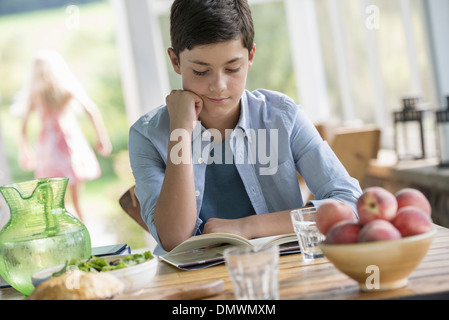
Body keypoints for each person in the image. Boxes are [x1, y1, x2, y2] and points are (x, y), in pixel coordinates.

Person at [129, 0, 362, 254]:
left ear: (250, 56)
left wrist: (246, 227)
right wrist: (181, 133)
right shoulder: (147, 135)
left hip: (282, 273)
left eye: (232, 68)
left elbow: (349, 203)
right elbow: (174, 238)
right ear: (175, 61)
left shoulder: (283, 116)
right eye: (200, 71)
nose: (218, 85)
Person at [19, 50, 112, 221]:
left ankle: (65, 230)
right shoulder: (65, 88)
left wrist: (25, 149)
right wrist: (101, 136)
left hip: (51, 147)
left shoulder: (37, 93)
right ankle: (82, 227)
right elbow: (90, 109)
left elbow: (23, 124)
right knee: (75, 198)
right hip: (67, 143)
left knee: (54, 199)